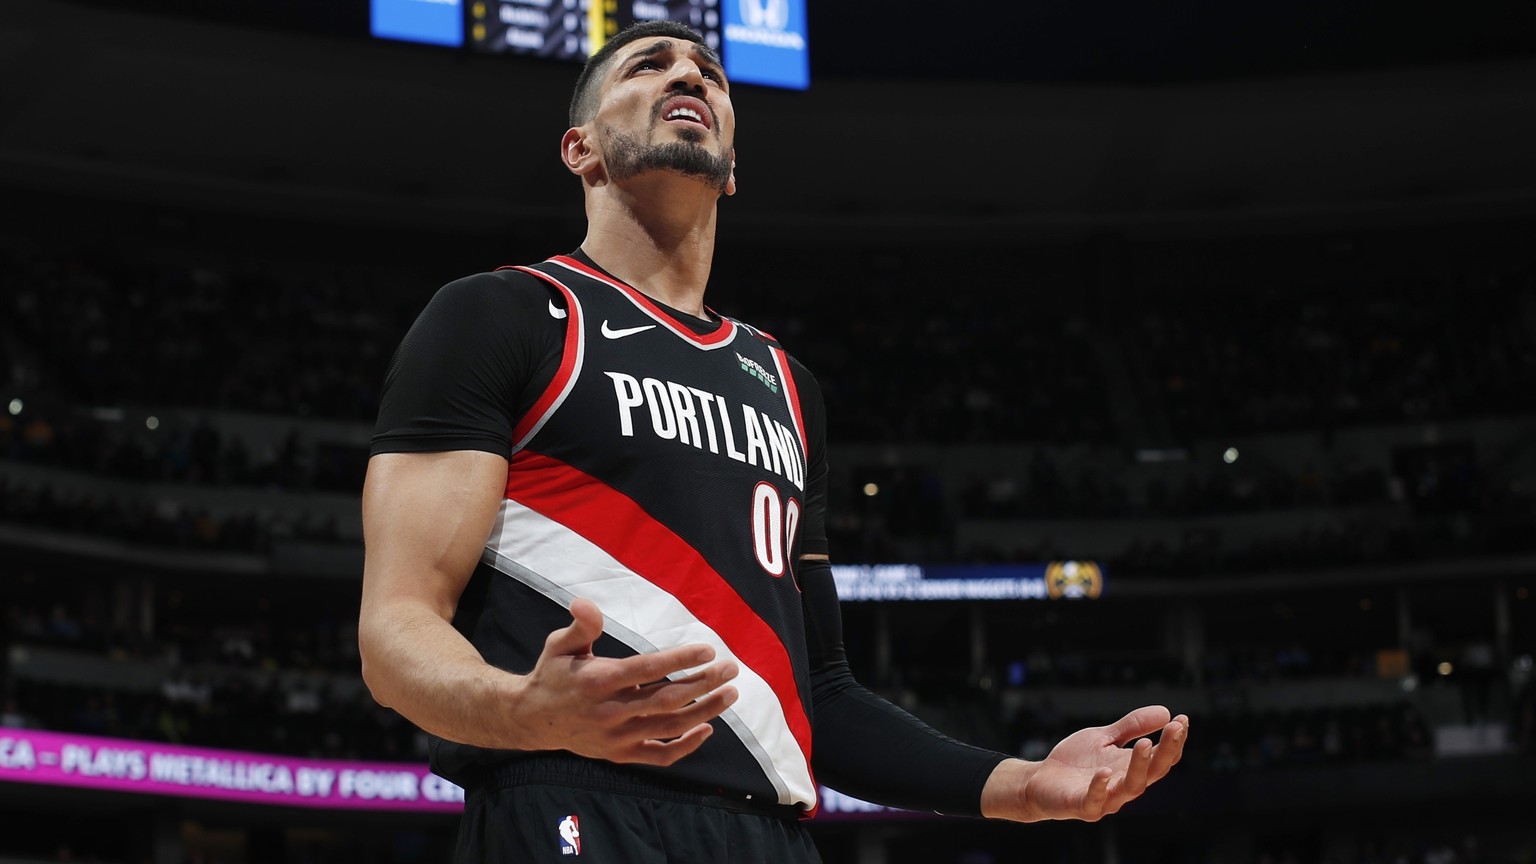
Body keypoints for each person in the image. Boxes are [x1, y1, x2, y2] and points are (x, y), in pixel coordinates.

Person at [358, 20, 1189, 863]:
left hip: (770, 833)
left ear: (730, 169)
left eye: (708, 74)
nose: (689, 76)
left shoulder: (787, 384)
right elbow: (395, 630)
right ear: (582, 149)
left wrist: (1019, 783)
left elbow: (819, 695)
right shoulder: (502, 314)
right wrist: (521, 708)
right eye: (649, 67)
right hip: (574, 803)